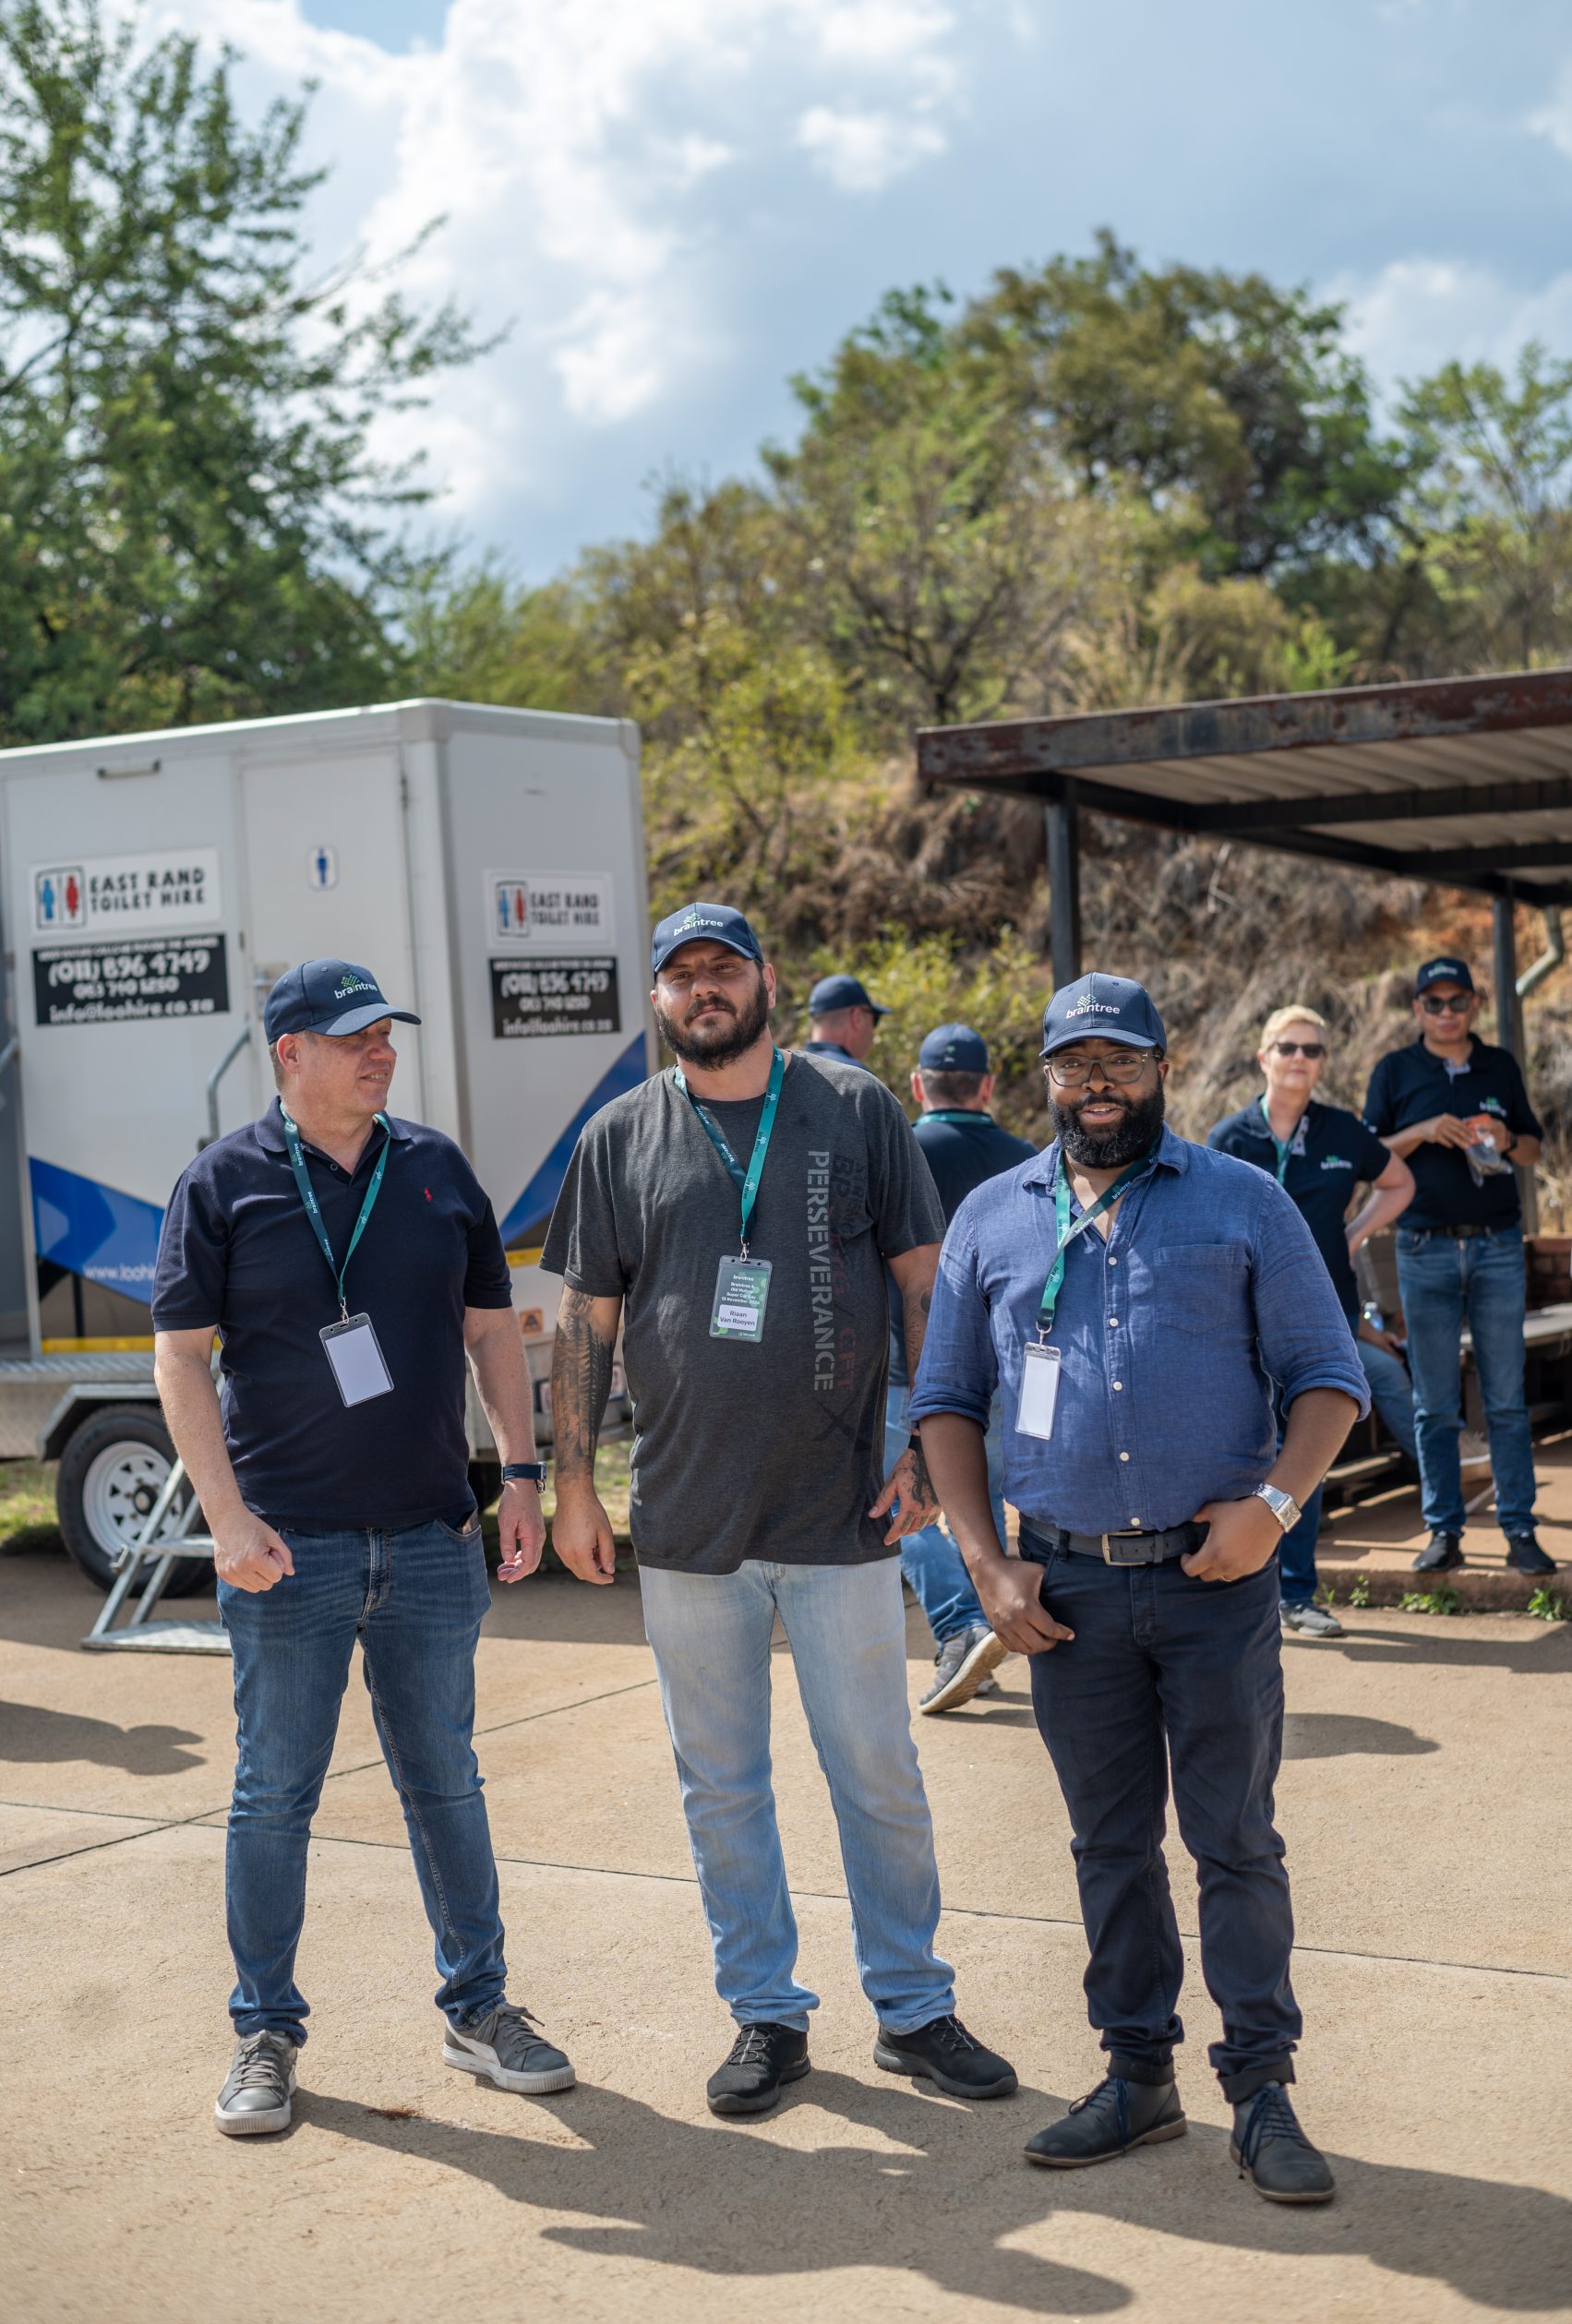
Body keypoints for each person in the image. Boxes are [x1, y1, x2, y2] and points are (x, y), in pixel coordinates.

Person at [541, 903, 1017, 2120]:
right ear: (657, 999)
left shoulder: (855, 1109)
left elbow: (926, 1287)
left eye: (723, 970)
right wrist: (572, 1484)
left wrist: (921, 1434)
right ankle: (764, 2014)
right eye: (680, 977)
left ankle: (910, 2009)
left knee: (876, 1770)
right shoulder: (616, 1137)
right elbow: (583, 1324)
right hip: (688, 1521)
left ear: (765, 981)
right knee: (720, 1783)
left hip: (839, 1509)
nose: (703, 991)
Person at [912, 971, 1368, 2204]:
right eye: (1072, 1063)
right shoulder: (993, 1219)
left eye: (1118, 1060)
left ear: (1163, 1068)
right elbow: (943, 1404)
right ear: (1043, 1078)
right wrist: (982, 1560)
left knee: (1231, 1842)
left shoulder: (1242, 1205)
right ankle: (1135, 2078)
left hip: (1211, 1585)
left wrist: (1271, 1511)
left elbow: (1330, 1380)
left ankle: (1260, 2091)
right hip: (1064, 1597)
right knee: (1108, 1847)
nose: (1095, 1082)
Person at [152, 958, 573, 2138]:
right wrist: (225, 1516)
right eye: (352, 1038)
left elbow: (492, 1331)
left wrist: (521, 1472)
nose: (379, 1052)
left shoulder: (435, 1169)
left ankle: (479, 2010)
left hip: (432, 1541)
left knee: (445, 1778)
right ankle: (264, 2031)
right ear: (288, 1054)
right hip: (288, 1551)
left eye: (387, 1033)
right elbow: (182, 1359)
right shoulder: (221, 1183)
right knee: (274, 1791)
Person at [1207, 1003, 1415, 1638]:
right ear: (1263, 1056)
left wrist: (1352, 1234)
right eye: (1288, 1047)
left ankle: (1297, 1594)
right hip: (1241, 1315)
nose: (1300, 1059)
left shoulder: (1341, 1131)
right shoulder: (1228, 1138)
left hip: (1322, 1312)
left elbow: (1398, 1183)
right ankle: (1244, 1587)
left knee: (1306, 1451)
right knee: (1245, 1447)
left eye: (1312, 1050)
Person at [1363, 956, 1555, 1577]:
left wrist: (1502, 1138)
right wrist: (1420, 1129)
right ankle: (1442, 1531)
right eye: (1432, 1003)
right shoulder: (1394, 1070)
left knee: (1505, 1399)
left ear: (1473, 1005)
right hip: (1422, 1249)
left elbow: (1531, 1148)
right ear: (1416, 1009)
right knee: (1435, 1405)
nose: (1445, 1013)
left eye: (1456, 1002)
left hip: (1498, 1245)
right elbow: (1368, 1153)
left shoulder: (1498, 1063)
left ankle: (1519, 1528)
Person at [885, 1024, 1036, 1711]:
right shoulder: (1032, 1159)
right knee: (983, 1506)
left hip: (906, 1365)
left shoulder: (897, 1149)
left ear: (917, 1086)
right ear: (987, 1086)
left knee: (898, 1503)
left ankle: (960, 1625)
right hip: (1003, 1364)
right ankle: (994, 1618)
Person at [802, 971, 888, 1066]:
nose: (873, 1032)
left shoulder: (788, 1068)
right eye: (875, 1020)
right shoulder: (854, 1074)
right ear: (857, 1018)